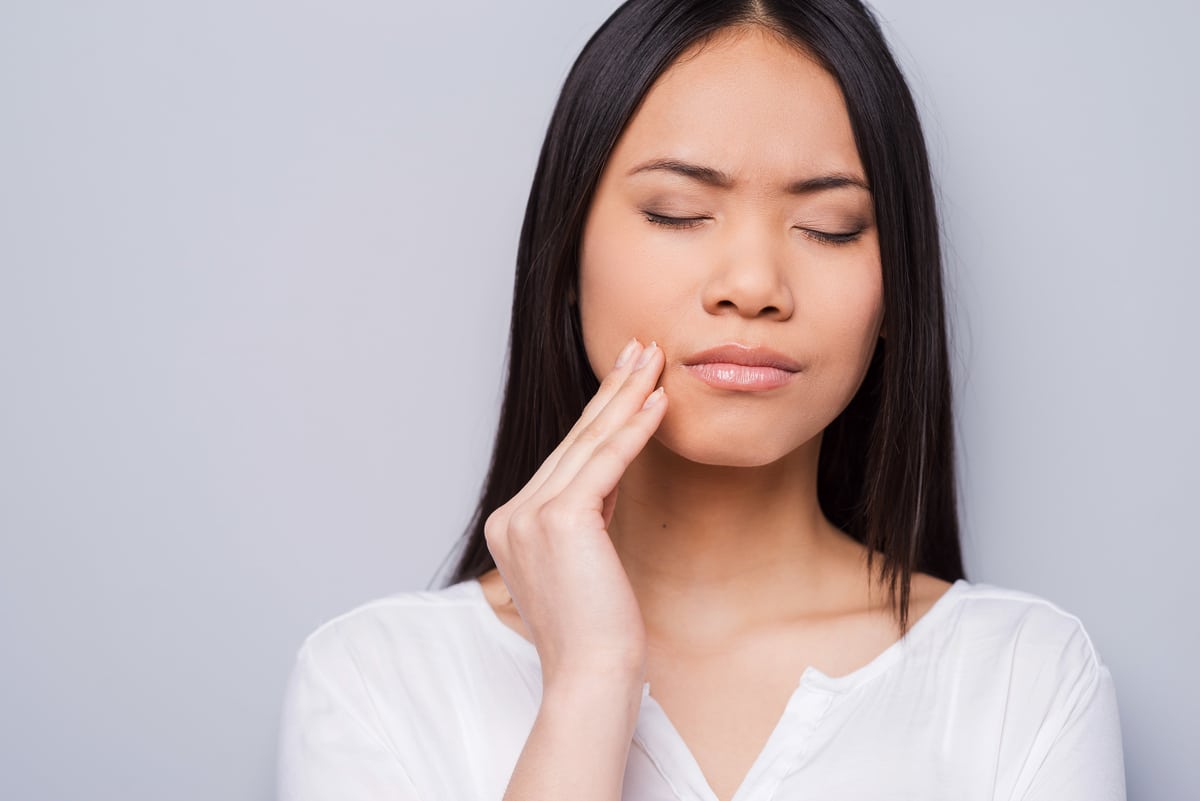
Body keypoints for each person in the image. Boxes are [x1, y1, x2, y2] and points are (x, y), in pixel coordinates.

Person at [276, 1, 1126, 799]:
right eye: (678, 212)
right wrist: (588, 685)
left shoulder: (1026, 679)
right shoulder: (376, 682)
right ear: (565, 256)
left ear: (895, 287)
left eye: (830, 226)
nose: (753, 285)